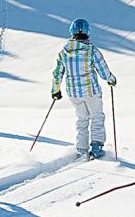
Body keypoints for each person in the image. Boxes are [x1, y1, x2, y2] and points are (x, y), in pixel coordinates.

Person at [50, 18, 117, 159]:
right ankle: (97, 147)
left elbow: (57, 73)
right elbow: (103, 70)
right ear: (88, 32)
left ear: (71, 31)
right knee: (97, 117)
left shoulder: (64, 52)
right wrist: (111, 79)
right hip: (91, 90)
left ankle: (81, 149)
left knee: (82, 118)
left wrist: (55, 90)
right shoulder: (91, 50)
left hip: (73, 92)